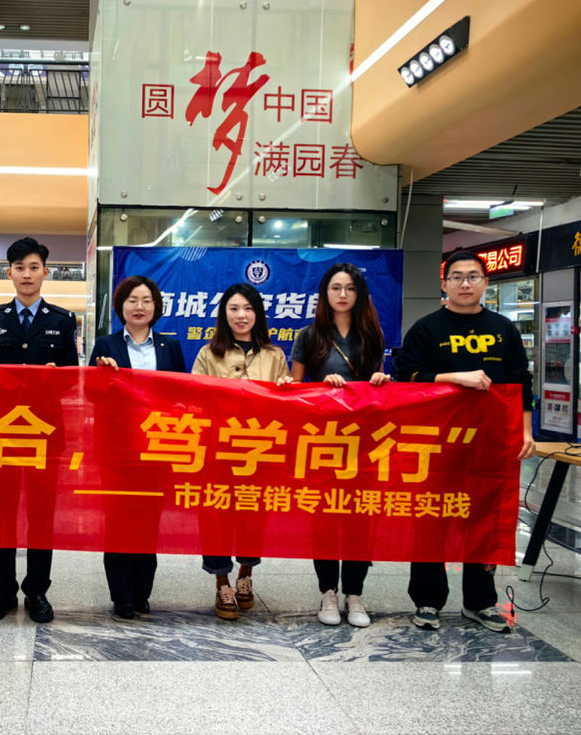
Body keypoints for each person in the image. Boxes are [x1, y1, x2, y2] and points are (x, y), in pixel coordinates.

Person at [394, 250, 535, 633]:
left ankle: (481, 601)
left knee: (483, 517)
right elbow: (406, 377)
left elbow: (521, 382)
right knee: (431, 518)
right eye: (456, 277)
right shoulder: (426, 329)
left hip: (489, 441)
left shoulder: (504, 329)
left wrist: (525, 430)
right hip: (436, 441)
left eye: (473, 276)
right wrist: (454, 378)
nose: (465, 283)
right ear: (444, 284)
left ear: (486, 282)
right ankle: (427, 600)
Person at [0, 237, 78, 624]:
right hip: (0, 433)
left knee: (40, 515)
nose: (27, 275)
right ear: (9, 273)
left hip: (43, 434)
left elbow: (72, 377)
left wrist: (56, 378)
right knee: (2, 514)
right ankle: (1, 591)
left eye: (34, 267)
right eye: (20, 268)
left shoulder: (62, 321)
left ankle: (37, 591)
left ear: (45, 272)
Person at [289, 263, 389, 628]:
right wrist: (321, 387)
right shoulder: (309, 336)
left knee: (361, 517)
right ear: (325, 293)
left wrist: (379, 380)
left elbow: (377, 386)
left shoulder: (371, 334)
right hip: (323, 442)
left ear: (359, 294)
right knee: (326, 519)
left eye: (350, 288)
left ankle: (355, 594)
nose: (342, 294)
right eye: (335, 287)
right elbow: (296, 392)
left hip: (363, 442)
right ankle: (328, 592)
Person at [192, 283, 292, 620]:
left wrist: (285, 389)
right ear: (224, 314)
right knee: (216, 515)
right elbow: (195, 399)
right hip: (218, 450)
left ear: (258, 314)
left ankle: (246, 575)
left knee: (253, 515)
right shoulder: (208, 354)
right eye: (234, 308)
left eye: (248, 308)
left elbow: (286, 404)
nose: (241, 315)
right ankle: (221, 581)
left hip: (260, 449)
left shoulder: (275, 355)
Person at [89, 275, 186, 620]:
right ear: (121, 306)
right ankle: (121, 597)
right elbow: (89, 394)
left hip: (157, 449)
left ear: (156, 307)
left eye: (146, 300)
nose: (139, 307)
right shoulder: (106, 344)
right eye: (132, 300)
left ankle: (142, 593)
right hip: (117, 451)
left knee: (148, 522)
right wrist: (102, 376)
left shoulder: (170, 347)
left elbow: (183, 395)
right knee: (118, 523)